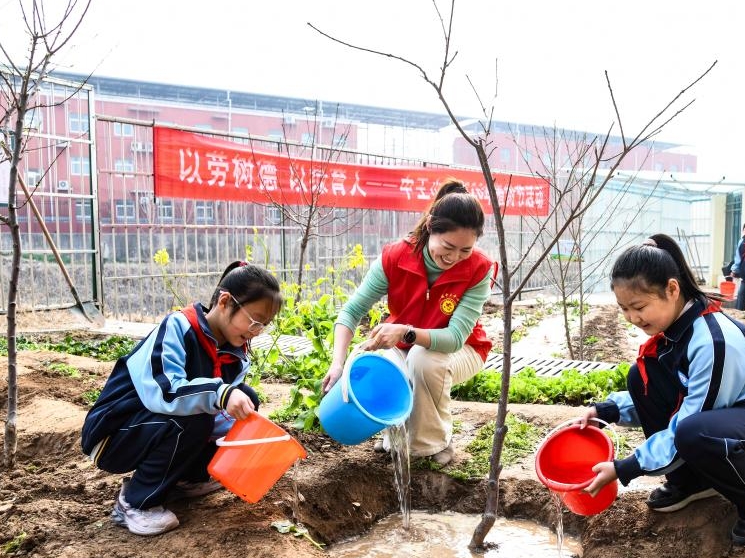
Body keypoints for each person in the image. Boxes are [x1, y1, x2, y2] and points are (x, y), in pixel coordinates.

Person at [579, 234, 745, 548]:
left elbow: (692, 417)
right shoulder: (675, 332)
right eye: (624, 308)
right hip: (740, 422)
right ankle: (691, 480)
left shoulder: (711, 341)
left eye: (639, 307)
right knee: (640, 375)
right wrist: (608, 410)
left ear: (672, 289)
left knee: (695, 433)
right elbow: (670, 394)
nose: (632, 318)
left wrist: (626, 467)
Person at [81, 261, 282, 536]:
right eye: (254, 320)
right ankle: (135, 501)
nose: (256, 331)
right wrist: (220, 394)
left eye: (264, 325)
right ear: (225, 302)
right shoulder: (178, 328)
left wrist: (249, 429)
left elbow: (221, 410)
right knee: (196, 417)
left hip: (158, 428)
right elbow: (165, 393)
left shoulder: (236, 354)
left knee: (245, 400)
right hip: (116, 434)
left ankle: (188, 478)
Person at [322, 180, 494, 466]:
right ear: (430, 226)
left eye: (465, 251)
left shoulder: (479, 269)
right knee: (384, 362)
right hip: (408, 344)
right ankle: (395, 434)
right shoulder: (396, 257)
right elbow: (351, 312)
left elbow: (453, 338)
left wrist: (405, 332)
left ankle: (435, 443)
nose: (454, 258)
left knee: (424, 360)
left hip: (464, 349)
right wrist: (338, 363)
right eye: (448, 246)